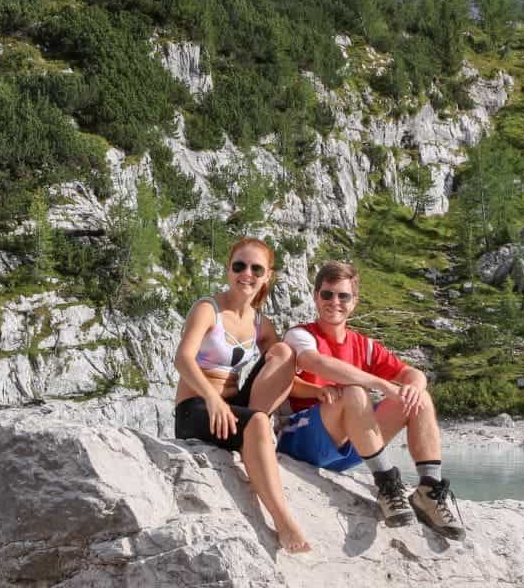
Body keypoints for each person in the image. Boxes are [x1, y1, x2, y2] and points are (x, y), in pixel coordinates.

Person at [276, 260, 465, 540]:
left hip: (351, 446)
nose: (334, 302)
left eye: (343, 296)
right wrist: (378, 383)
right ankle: (387, 483)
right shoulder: (301, 335)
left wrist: (414, 384)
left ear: (355, 301)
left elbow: (411, 372)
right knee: (353, 391)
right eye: (327, 294)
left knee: (418, 396)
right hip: (304, 437)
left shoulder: (363, 345)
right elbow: (313, 362)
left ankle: (429, 489)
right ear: (316, 296)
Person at [173, 237, 310, 553]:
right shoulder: (208, 309)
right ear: (228, 269)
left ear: (267, 276)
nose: (246, 274)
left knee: (284, 351)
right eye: (239, 266)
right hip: (197, 408)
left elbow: (281, 372)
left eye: (256, 268)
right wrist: (211, 397)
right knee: (259, 423)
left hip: (233, 407)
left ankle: (255, 435)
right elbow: (183, 358)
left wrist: (321, 391)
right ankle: (282, 519)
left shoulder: (261, 323)